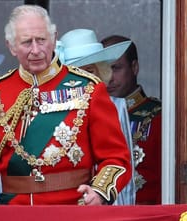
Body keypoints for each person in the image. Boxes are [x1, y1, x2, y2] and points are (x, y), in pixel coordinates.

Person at [0, 5, 131, 205]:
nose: (36, 50)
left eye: (41, 40)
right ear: (11, 46)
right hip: (14, 214)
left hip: (73, 211)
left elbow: (116, 158)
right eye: (27, 42)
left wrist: (100, 192)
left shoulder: (89, 88)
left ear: (53, 39)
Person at [56, 28, 136, 205]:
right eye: (76, 72)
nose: (83, 79)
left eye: (89, 71)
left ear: (101, 72)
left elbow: (120, 168)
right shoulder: (50, 108)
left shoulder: (114, 106)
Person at [101, 35, 162, 204]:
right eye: (104, 70)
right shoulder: (90, 117)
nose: (109, 78)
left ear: (134, 67)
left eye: (116, 68)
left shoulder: (160, 118)